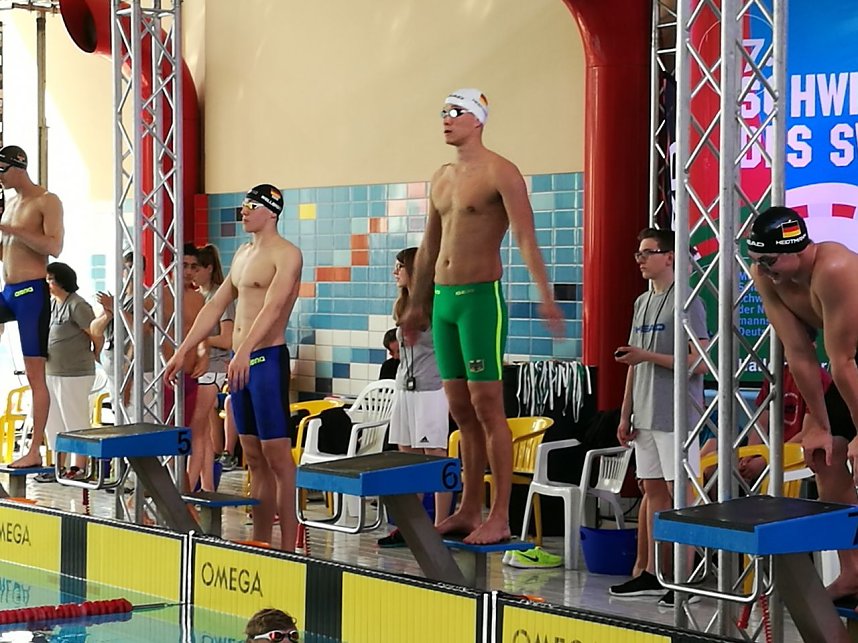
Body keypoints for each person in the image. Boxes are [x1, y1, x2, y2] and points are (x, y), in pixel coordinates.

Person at [402, 89, 564, 545]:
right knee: (459, 410)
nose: (447, 120)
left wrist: (544, 294)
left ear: (478, 120)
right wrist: (417, 303)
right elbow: (430, 246)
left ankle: (500, 516)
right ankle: (467, 508)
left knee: (488, 407)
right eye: (443, 113)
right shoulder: (441, 177)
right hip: (444, 302)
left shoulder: (501, 171)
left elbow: (526, 238)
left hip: (480, 302)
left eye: (456, 113)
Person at [165, 184, 302, 551]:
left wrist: (245, 351)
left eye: (250, 206)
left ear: (271, 211)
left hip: (266, 361)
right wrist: (184, 348)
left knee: (278, 459)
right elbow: (214, 306)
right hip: (242, 364)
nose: (243, 212)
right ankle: (262, 540)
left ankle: (289, 547)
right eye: (243, 206)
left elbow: (274, 307)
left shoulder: (287, 255)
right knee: (253, 457)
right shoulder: (242, 253)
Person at [748, 206, 858, 602]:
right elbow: (800, 353)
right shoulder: (768, 277)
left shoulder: (834, 267)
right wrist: (822, 425)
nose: (762, 267)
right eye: (756, 258)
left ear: (796, 247)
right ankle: (853, 571)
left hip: (853, 363)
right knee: (822, 455)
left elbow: (843, 359)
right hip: (850, 367)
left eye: (769, 258)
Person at [608, 227, 709, 606]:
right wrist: (625, 412)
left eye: (647, 252)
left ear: (670, 256)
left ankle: (687, 576)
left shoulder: (688, 300)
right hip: (645, 413)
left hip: (677, 413)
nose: (640, 260)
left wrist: (647, 357)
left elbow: (699, 362)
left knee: (682, 496)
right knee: (653, 493)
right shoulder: (641, 302)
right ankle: (653, 571)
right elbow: (632, 361)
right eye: (638, 253)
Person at [377, 247, 452, 548]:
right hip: (405, 388)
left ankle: (441, 524)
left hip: (431, 388)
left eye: (400, 267)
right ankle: (411, 525)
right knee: (406, 458)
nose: (395, 272)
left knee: (434, 457)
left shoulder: (435, 306)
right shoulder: (403, 306)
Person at [0, 145, 64, 468]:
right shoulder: (10, 204)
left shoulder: (46, 201)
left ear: (17, 167)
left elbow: (54, 246)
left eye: (2, 171)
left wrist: (12, 230)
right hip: (8, 290)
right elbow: (6, 249)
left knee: (35, 376)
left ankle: (34, 449)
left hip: (31, 295)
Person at [41, 262, 101, 481]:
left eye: (50, 279)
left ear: (61, 281)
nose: (47, 284)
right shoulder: (52, 304)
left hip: (74, 373)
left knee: (75, 419)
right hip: (52, 371)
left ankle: (79, 467)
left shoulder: (77, 305)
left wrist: (96, 353)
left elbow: (95, 333)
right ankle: (57, 465)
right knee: (53, 420)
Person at [195, 243, 239, 471]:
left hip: (215, 364)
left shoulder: (222, 297)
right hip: (199, 364)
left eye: (196, 268)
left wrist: (199, 339)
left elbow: (226, 340)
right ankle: (208, 461)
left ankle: (221, 454)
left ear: (209, 268)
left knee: (208, 410)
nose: (191, 273)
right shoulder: (193, 297)